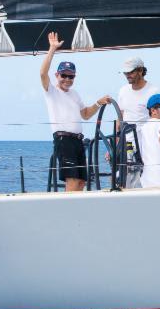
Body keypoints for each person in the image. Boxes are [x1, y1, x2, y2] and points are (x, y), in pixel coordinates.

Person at [40, 31, 112, 192]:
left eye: (71, 76)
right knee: (72, 181)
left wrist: (98, 103)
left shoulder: (75, 94)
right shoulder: (51, 91)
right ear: (57, 75)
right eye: (64, 75)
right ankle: (67, 214)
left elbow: (85, 114)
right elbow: (42, 73)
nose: (67, 79)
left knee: (81, 182)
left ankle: (76, 214)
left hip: (78, 141)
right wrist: (52, 49)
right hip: (63, 140)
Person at [117, 57, 160, 187]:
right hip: (127, 142)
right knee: (123, 178)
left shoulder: (154, 91)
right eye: (125, 73)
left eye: (130, 72)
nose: (127, 75)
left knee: (146, 177)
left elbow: (159, 119)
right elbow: (120, 117)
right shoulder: (123, 90)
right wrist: (116, 144)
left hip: (147, 142)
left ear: (140, 70)